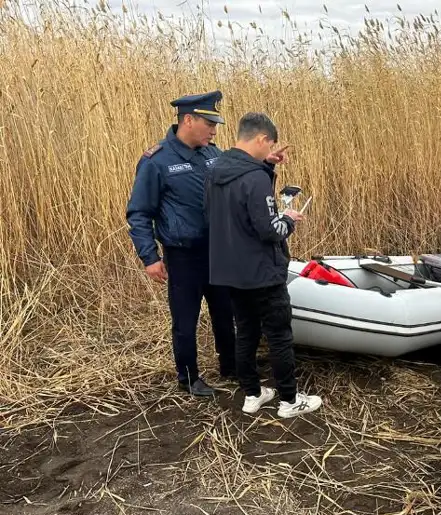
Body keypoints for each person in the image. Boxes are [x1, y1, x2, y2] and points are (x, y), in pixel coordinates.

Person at [204, 112, 322, 418]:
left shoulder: (216, 169)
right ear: (261, 139)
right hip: (262, 273)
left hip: (229, 271)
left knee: (245, 333)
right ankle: (289, 400)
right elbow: (270, 230)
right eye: (268, 144)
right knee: (279, 335)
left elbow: (224, 212)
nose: (269, 149)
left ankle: (253, 395)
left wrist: (268, 165)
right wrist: (288, 219)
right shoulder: (254, 178)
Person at [125, 90, 236, 397]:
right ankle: (188, 378)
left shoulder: (213, 154)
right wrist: (149, 257)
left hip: (218, 252)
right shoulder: (157, 161)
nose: (214, 130)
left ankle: (231, 366)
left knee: (225, 313)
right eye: (209, 123)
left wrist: (265, 163)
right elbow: (139, 213)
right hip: (184, 256)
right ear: (189, 120)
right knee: (185, 320)